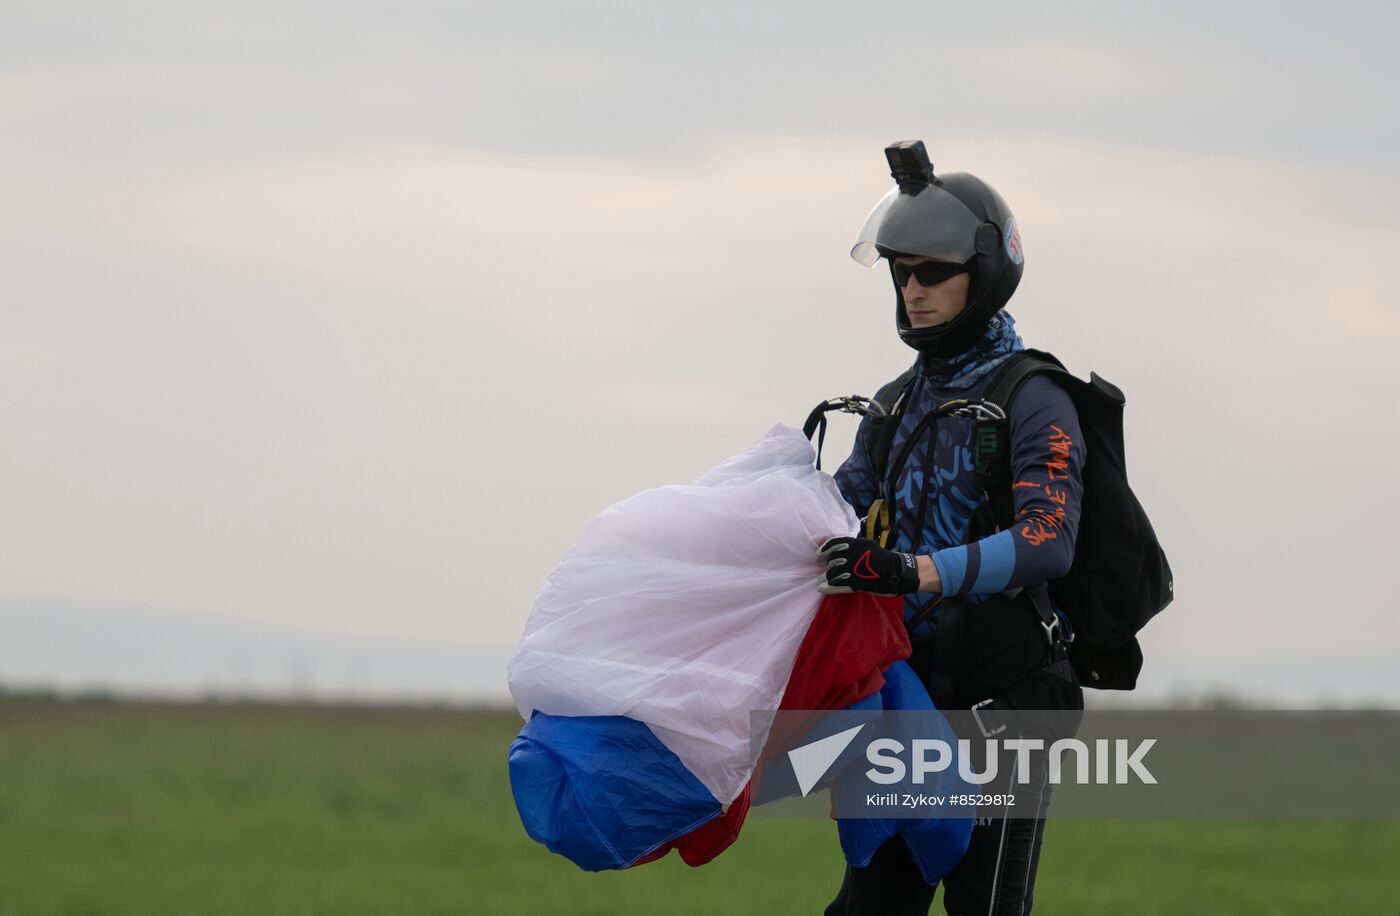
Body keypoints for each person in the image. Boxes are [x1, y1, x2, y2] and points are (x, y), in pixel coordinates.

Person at [817, 141, 1086, 916]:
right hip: (915, 707)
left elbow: (1048, 540)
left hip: (1008, 708)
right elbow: (835, 514)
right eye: (903, 272)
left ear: (985, 272)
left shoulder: (1034, 397)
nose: (913, 289)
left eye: (932, 271)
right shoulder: (892, 405)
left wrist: (915, 572)